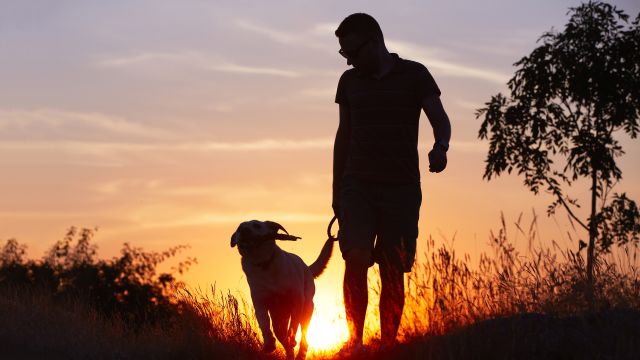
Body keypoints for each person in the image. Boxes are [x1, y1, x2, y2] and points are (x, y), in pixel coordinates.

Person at [332, 13, 451, 352]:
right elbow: (344, 135)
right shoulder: (349, 82)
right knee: (355, 258)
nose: (349, 60)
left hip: (401, 188)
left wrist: (440, 147)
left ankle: (388, 346)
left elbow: (440, 120)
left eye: (352, 51)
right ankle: (354, 343)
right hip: (357, 186)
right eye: (344, 55)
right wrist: (336, 192)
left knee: (392, 266)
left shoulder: (415, 75)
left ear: (375, 41)